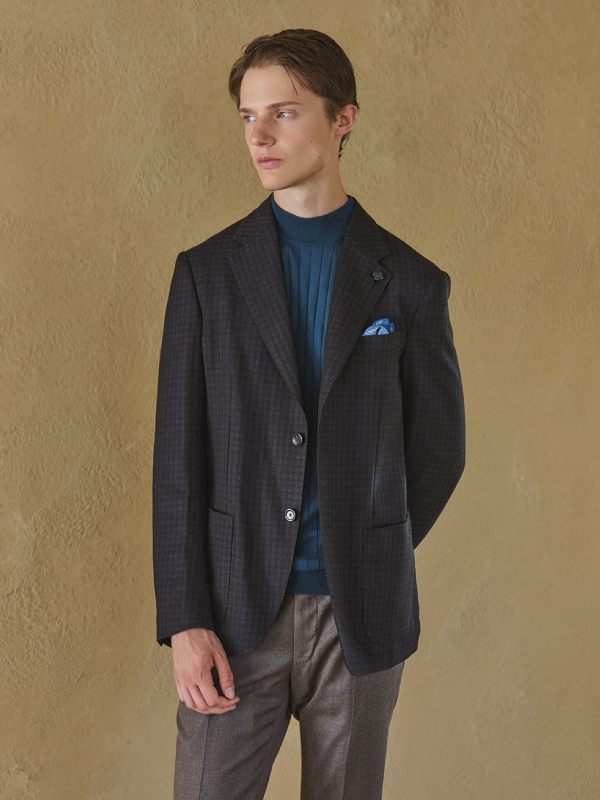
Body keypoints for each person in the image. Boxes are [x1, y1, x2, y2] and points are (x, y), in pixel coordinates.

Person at [152, 28, 466, 800]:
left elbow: (439, 448)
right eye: (248, 117)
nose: (259, 136)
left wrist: (370, 544)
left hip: (361, 620)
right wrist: (186, 620)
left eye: (283, 113)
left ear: (342, 118)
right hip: (233, 616)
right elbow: (177, 464)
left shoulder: (412, 284)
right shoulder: (205, 276)